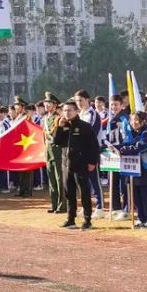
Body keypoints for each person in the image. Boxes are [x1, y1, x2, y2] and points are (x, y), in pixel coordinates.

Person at [53, 99, 100, 230]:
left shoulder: (84, 126)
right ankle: (70, 219)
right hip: (66, 164)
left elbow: (94, 146)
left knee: (84, 193)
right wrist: (60, 127)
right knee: (69, 193)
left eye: (69, 110)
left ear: (76, 111)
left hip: (81, 164)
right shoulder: (63, 125)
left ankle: (87, 220)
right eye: (64, 110)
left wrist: (92, 162)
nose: (66, 113)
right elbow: (56, 142)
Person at [114, 111, 147, 228]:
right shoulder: (131, 133)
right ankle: (141, 218)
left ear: (143, 121)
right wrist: (113, 147)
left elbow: (141, 146)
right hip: (133, 169)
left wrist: (123, 150)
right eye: (132, 120)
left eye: (136, 120)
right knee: (136, 194)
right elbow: (125, 144)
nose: (134, 123)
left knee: (146, 194)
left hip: (146, 167)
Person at [75, 89, 105, 216]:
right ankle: (86, 206)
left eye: (81, 100)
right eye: (77, 101)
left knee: (94, 180)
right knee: (83, 181)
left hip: (91, 152)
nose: (79, 103)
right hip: (80, 153)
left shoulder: (93, 114)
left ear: (87, 100)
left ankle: (100, 208)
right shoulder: (79, 114)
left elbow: (92, 134)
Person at [42, 92, 65, 214]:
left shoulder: (59, 118)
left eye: (49, 103)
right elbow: (44, 137)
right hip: (48, 151)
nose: (46, 105)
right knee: (51, 178)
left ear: (55, 105)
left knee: (59, 178)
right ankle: (54, 203)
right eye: (45, 103)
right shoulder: (45, 118)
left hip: (57, 150)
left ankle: (62, 205)